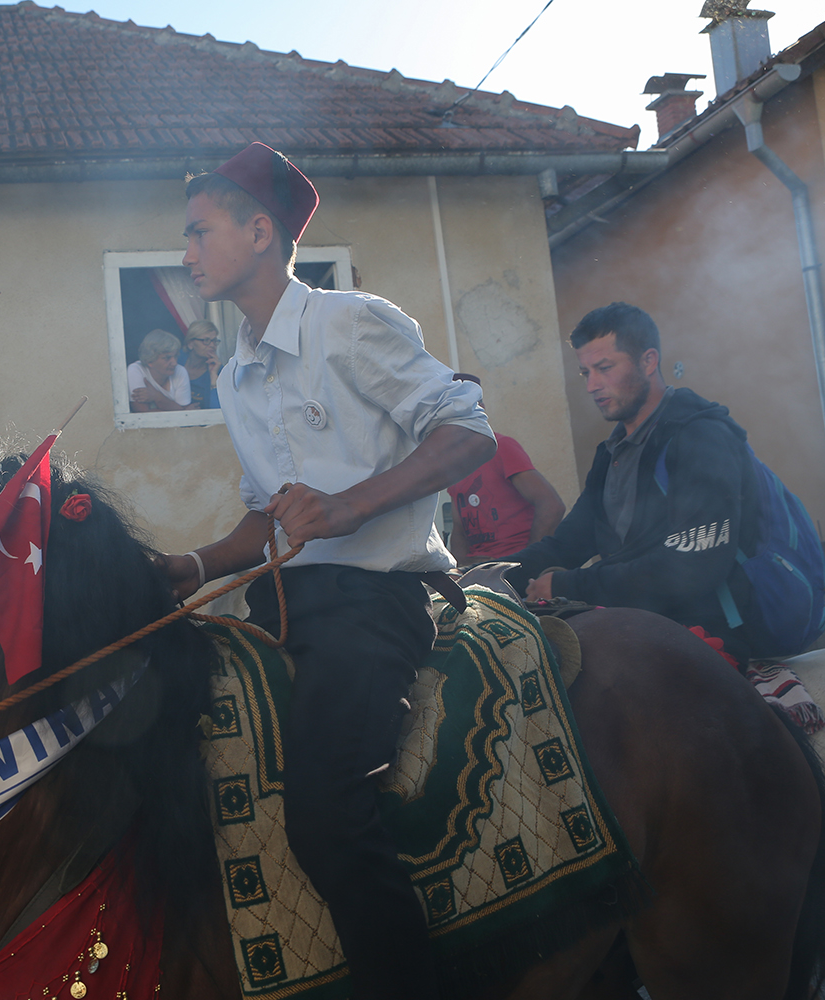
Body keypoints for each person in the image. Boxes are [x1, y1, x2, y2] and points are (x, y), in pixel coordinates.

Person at [158, 142, 495, 999]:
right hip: (284, 599)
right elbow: (264, 517)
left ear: (260, 231)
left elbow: (467, 431)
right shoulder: (233, 373)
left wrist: (351, 507)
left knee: (325, 812)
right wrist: (190, 566)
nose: (187, 253)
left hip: (379, 599)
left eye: (200, 232)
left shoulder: (351, 323)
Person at [502, 302, 757, 660]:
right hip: (643, 626)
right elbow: (567, 544)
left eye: (604, 368)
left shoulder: (701, 437)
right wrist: (488, 578)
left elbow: (692, 568)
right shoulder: (611, 453)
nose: (592, 385)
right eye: (585, 373)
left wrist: (566, 584)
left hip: (716, 635)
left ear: (648, 361)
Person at [445, 373, 566, 566]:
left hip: (515, 568)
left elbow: (552, 506)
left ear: (481, 410)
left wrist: (527, 562)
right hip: (480, 573)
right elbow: (459, 529)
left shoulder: (502, 448)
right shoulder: (453, 463)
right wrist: (461, 567)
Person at [127, 329, 192, 412]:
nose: (175, 363)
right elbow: (143, 415)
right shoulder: (136, 370)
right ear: (150, 360)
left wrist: (156, 396)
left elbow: (185, 417)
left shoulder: (180, 371)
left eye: (175, 356)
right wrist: (177, 409)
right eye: (167, 358)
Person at [180, 319, 222, 409]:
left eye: (214, 341)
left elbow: (217, 411)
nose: (212, 345)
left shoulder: (218, 370)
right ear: (190, 344)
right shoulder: (175, 360)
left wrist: (213, 377)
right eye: (206, 340)